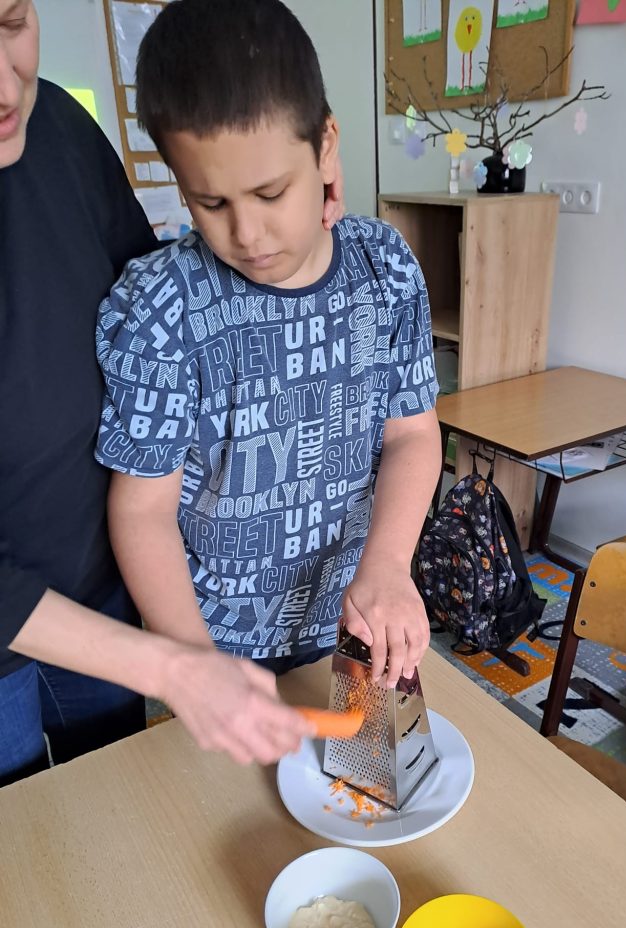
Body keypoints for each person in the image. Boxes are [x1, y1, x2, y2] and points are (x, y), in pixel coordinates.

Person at [0, 0, 343, 785]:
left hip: (102, 586)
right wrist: (178, 663)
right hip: (24, 618)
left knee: (118, 802)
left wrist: (299, 213)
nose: (5, 88)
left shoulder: (57, 124)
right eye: (212, 201)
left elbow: (159, 286)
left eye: (10, 22)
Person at [95, 0, 442, 692]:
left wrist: (388, 563)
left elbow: (412, 433)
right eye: (211, 203)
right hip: (213, 639)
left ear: (326, 146)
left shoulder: (385, 267)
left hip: (351, 616)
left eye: (271, 192)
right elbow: (142, 511)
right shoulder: (161, 306)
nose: (247, 235)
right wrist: (196, 666)